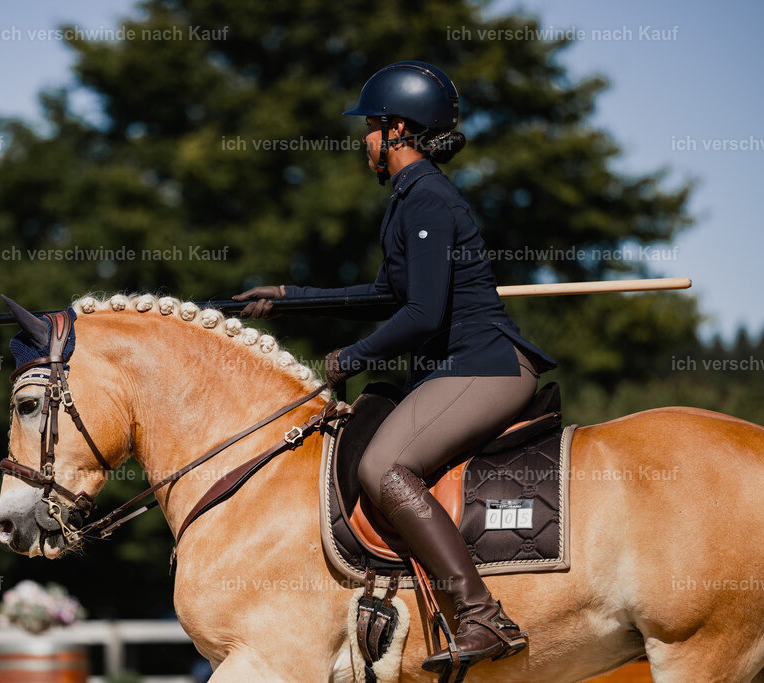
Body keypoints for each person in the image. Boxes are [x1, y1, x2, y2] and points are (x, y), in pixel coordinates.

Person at [232, 61, 557, 672]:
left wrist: (353, 356)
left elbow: (423, 312)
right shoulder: (411, 198)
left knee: (386, 465)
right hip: (458, 367)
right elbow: (389, 294)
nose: (365, 141)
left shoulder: (428, 197)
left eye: (372, 128)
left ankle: (481, 613)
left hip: (484, 366)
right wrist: (292, 299)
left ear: (399, 130)